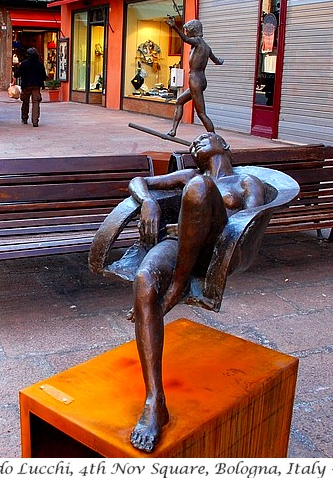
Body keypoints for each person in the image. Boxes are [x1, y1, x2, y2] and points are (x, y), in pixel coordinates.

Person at [124, 132, 266, 453]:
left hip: (216, 248)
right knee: (144, 281)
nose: (197, 143)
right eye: (194, 144)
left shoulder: (246, 183)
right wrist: (147, 202)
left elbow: (248, 224)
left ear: (225, 146)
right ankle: (155, 401)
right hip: (178, 244)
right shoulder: (190, 176)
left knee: (201, 189)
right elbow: (138, 180)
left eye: (206, 137)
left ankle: (179, 284)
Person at [164, 17, 224, 137]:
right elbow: (216, 61)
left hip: (195, 80)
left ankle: (215, 137)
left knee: (201, 113)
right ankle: (173, 130)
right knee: (180, 101)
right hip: (201, 80)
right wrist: (221, 61)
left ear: (193, 31)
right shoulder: (207, 47)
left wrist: (174, 27)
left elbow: (185, 39)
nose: (187, 33)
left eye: (188, 31)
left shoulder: (197, 41)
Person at [12, 47, 46, 127]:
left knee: (25, 102)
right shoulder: (39, 64)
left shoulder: (24, 64)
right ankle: (35, 121)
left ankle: (24, 118)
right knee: (36, 103)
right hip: (36, 85)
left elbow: (17, 74)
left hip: (26, 85)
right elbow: (44, 76)